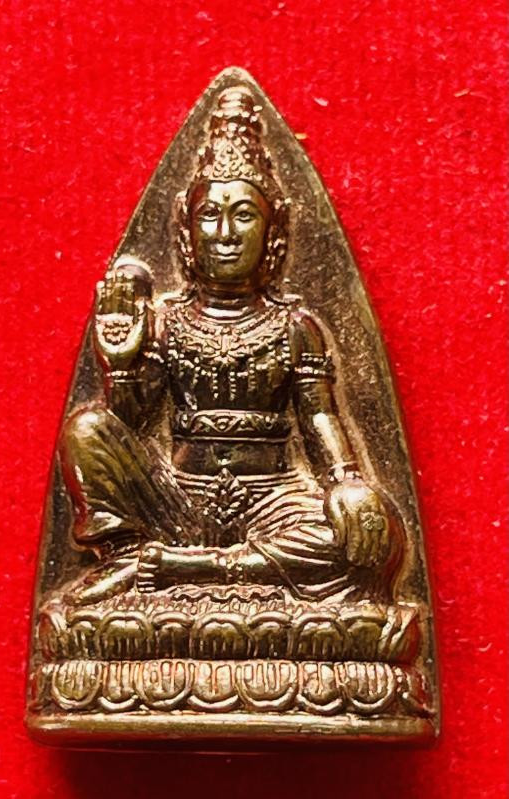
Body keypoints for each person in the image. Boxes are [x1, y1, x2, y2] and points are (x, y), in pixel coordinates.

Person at [59, 87, 403, 607]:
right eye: (209, 216)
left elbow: (320, 419)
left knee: (371, 532)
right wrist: (122, 366)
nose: (225, 233)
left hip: (276, 502)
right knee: (86, 430)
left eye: (244, 215)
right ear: (185, 228)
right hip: (177, 500)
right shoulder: (165, 322)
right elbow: (130, 426)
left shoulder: (296, 326)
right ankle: (131, 557)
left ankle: (186, 570)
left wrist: (347, 482)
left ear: (273, 230)